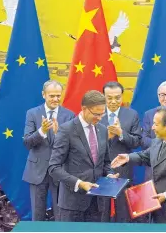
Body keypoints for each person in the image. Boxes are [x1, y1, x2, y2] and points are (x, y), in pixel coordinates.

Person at [112, 106, 166, 224]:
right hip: (156, 207)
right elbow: (146, 156)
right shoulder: (158, 141)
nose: (152, 128)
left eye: (156, 124)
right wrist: (127, 158)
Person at [48, 90, 119, 222]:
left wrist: (109, 175)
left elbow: (105, 162)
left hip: (97, 204)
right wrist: (79, 183)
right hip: (72, 204)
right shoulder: (66, 130)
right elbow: (53, 168)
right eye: (96, 114)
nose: (99, 118)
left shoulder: (103, 130)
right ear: (84, 108)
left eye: (102, 114)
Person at [22, 80, 75, 221]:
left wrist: (59, 135)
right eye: (52, 96)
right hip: (37, 170)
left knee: (61, 215)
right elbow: (27, 142)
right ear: (43, 95)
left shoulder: (69, 115)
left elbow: (74, 146)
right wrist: (42, 131)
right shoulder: (32, 113)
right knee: (37, 215)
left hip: (60, 171)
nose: (56, 99)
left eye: (58, 95)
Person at [100, 81, 142, 223]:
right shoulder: (96, 113)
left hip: (123, 169)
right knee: (101, 211)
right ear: (103, 97)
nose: (113, 101)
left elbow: (137, 142)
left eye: (117, 97)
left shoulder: (131, 115)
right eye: (109, 98)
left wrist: (121, 133)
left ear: (122, 97)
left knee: (123, 212)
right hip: (100, 169)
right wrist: (108, 137)